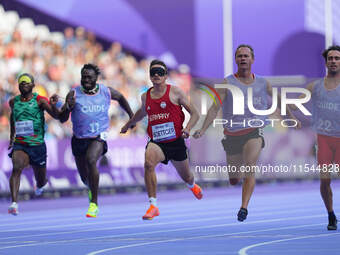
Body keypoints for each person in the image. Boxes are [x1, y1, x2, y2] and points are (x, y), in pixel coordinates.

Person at [193, 45, 299, 222]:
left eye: (246, 56)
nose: (243, 59)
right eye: (240, 56)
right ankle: (239, 177)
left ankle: (244, 207)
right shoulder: (227, 83)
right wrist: (203, 129)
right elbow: (213, 108)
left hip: (254, 132)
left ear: (252, 59)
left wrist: (291, 117)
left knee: (250, 166)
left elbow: (279, 100)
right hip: (232, 134)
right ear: (236, 60)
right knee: (234, 179)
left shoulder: (263, 82)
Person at [121, 59, 202, 220]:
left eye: (160, 72)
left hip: (176, 142)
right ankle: (153, 205)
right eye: (153, 72)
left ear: (165, 76)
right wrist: (129, 124)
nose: (156, 75)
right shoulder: (145, 96)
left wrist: (187, 129)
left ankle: (192, 185)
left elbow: (195, 113)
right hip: (157, 141)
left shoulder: (176, 92)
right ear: (150, 76)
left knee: (187, 176)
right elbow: (142, 112)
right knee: (148, 163)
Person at [53, 64, 134, 218]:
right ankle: (91, 188)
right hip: (79, 139)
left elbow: (121, 97)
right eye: (84, 77)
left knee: (91, 161)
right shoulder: (74, 93)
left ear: (96, 78)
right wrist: (68, 107)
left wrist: (131, 116)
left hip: (98, 137)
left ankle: (94, 204)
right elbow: (62, 119)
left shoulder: (105, 91)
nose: (86, 80)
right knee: (84, 177)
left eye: (89, 77)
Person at [294, 45, 340, 230]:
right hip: (323, 139)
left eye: (337, 58)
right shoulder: (314, 86)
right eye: (331, 58)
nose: (334, 61)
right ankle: (331, 215)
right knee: (325, 180)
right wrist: (288, 114)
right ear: (326, 62)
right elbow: (295, 104)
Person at [8, 73, 59, 215]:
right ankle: (14, 203)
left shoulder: (40, 100)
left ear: (32, 85)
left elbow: (56, 116)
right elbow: (13, 117)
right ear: (18, 86)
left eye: (26, 82)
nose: (23, 85)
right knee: (16, 167)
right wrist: (12, 137)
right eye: (21, 83)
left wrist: (54, 106)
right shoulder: (13, 102)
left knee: (41, 180)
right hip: (21, 144)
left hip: (37, 146)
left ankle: (41, 183)